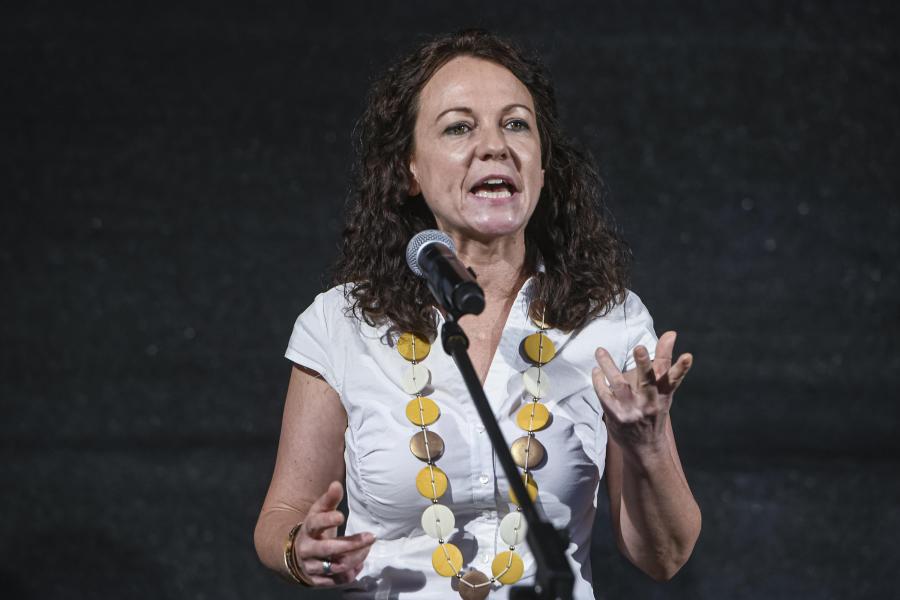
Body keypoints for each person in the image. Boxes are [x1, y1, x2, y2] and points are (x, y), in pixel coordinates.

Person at [254, 29, 701, 599]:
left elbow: (664, 558)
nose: (495, 146)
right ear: (409, 169)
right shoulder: (341, 323)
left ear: (542, 166)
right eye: (459, 128)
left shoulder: (609, 323)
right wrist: (300, 549)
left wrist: (647, 442)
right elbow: (283, 513)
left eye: (516, 124)